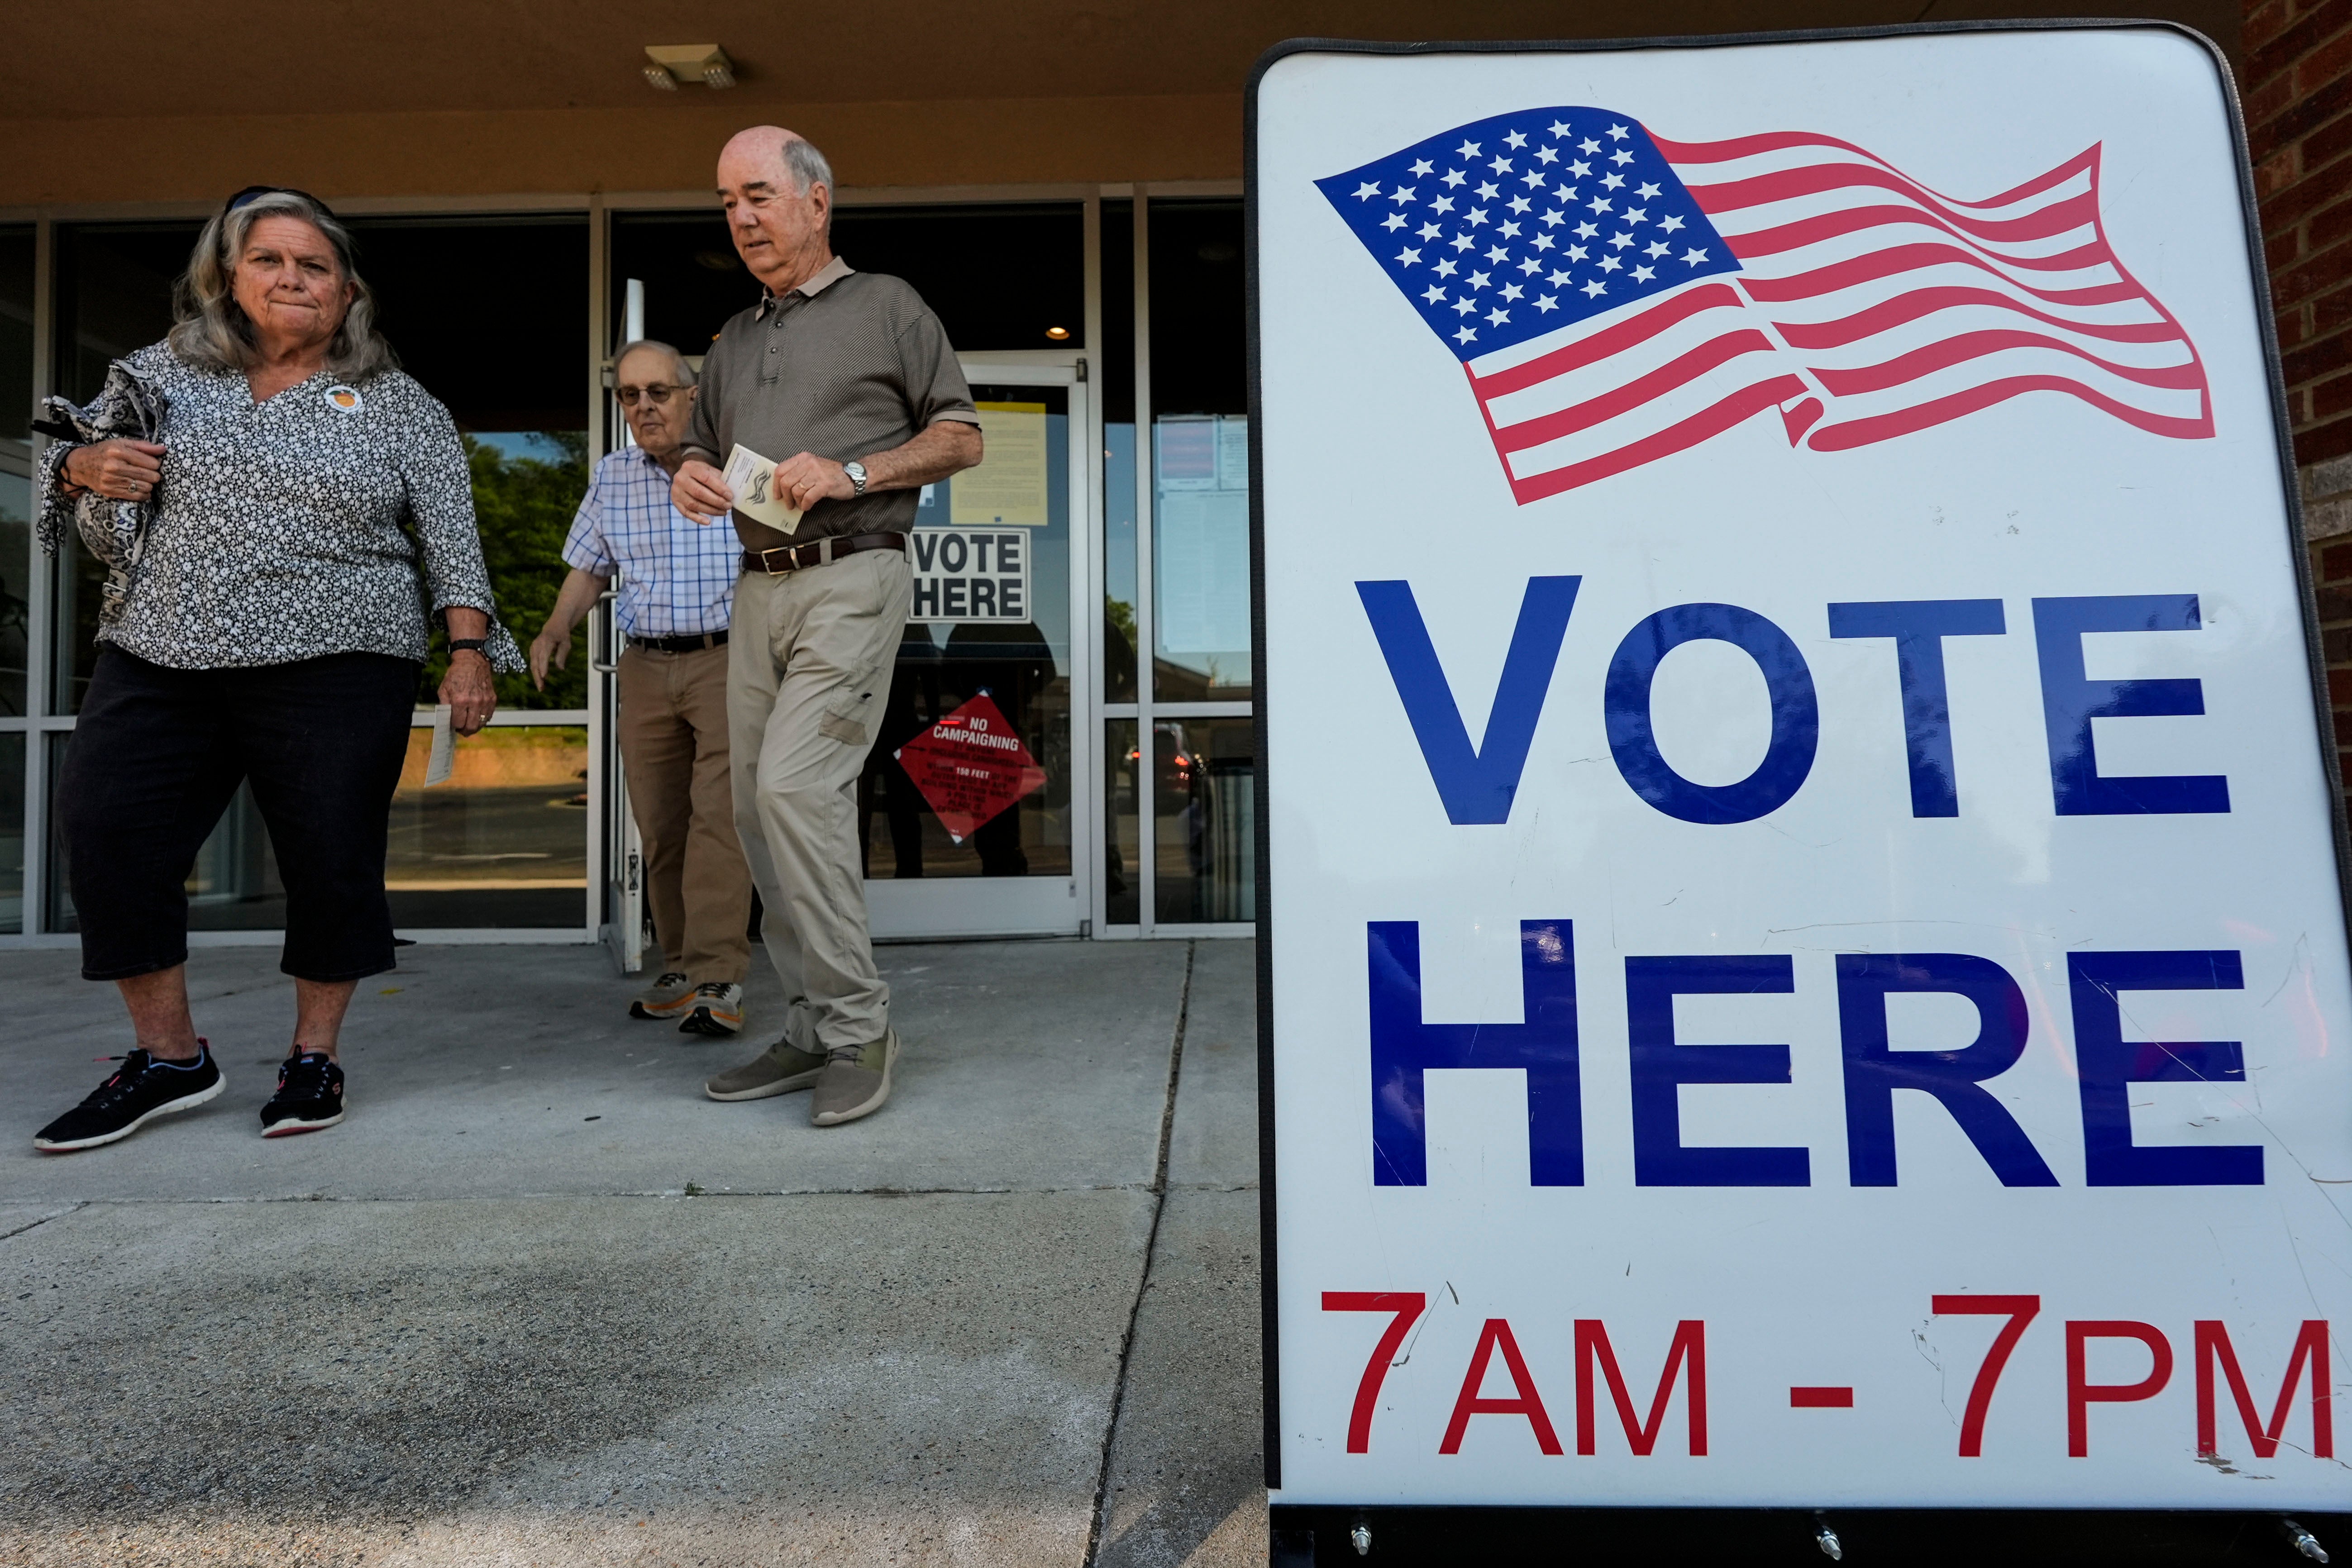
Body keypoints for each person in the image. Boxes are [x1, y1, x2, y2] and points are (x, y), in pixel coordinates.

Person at [30, 187, 521, 1153]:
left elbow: (455, 544)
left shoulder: (399, 403)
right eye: (271, 261)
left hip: (341, 658)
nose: (293, 280)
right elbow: (69, 459)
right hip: (162, 648)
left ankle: (314, 1055)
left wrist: (468, 655)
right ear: (228, 276)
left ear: (347, 293)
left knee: (330, 859)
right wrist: (83, 471)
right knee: (108, 831)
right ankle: (169, 1057)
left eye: (316, 267)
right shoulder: (161, 372)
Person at [672, 127, 983, 1127]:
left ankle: (858, 1025)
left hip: (853, 573)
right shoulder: (735, 338)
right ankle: (810, 1022)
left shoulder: (888, 305)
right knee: (757, 814)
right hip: (755, 585)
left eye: (758, 195)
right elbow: (700, 448)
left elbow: (962, 436)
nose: (742, 219)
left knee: (796, 788)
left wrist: (855, 471)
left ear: (816, 200)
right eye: (726, 203)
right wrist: (688, 472)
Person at [530, 340, 752, 1037]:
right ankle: (682, 963)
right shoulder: (614, 474)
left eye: (659, 391)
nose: (645, 405)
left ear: (692, 396)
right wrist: (556, 624)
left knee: (720, 819)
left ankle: (720, 976)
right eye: (630, 395)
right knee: (660, 825)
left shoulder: (736, 469)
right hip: (647, 666)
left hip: (726, 659)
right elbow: (589, 564)